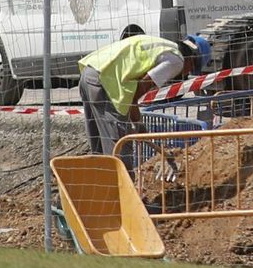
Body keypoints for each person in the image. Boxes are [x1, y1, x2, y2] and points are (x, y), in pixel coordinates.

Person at [78, 33, 209, 173]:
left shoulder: (162, 47)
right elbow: (138, 90)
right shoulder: (177, 61)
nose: (187, 74)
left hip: (89, 74)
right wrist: (137, 124)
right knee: (120, 150)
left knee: (98, 149)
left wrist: (138, 124)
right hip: (107, 84)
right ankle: (123, 185)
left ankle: (99, 184)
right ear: (192, 59)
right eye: (192, 69)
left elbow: (132, 93)